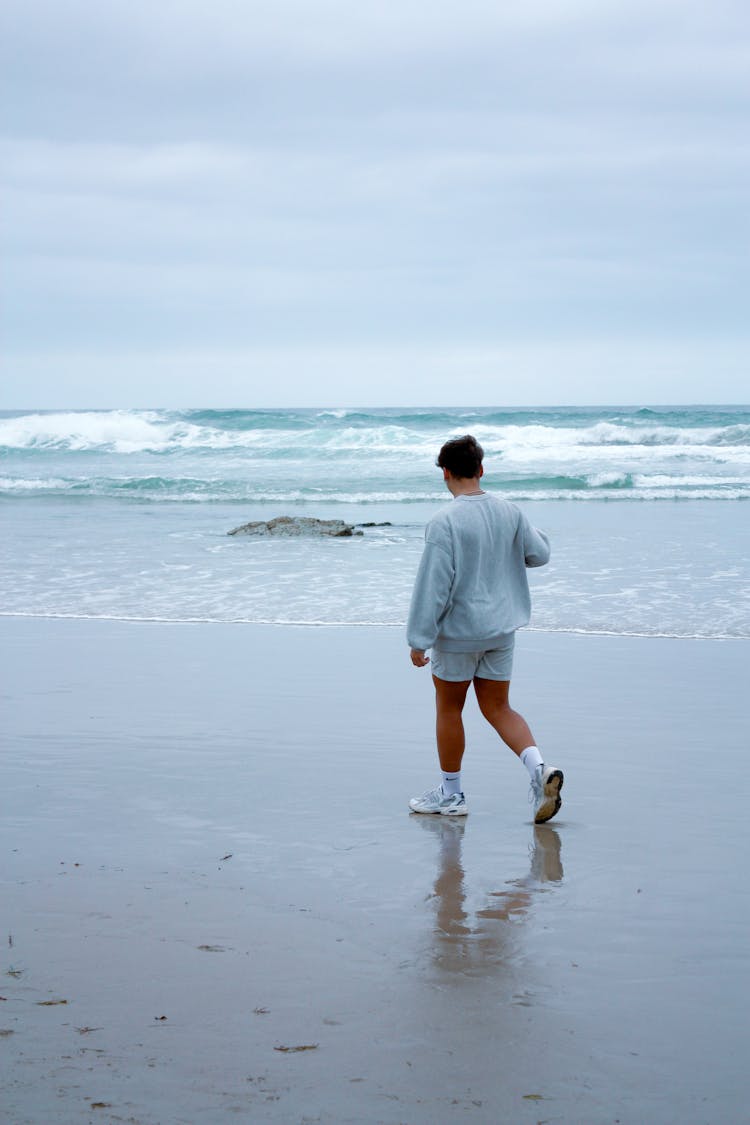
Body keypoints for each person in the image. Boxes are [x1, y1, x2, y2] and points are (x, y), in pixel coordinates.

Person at [406, 434, 563, 823]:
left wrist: (418, 639)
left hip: (458, 634)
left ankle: (452, 794)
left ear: (445, 473)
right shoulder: (509, 511)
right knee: (498, 707)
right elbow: (539, 553)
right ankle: (540, 770)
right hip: (500, 631)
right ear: (480, 469)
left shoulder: (444, 522)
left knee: (449, 708)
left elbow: (433, 586)